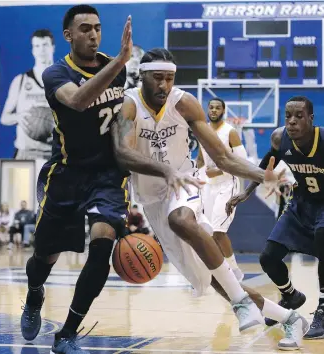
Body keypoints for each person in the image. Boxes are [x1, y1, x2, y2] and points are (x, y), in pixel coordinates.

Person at [20, 7, 200, 354]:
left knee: (102, 246)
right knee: (45, 256)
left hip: (107, 175)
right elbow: (77, 100)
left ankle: (68, 332)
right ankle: (34, 294)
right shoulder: (55, 73)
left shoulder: (116, 69)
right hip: (67, 174)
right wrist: (119, 62)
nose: (93, 35)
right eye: (84, 29)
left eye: (98, 28)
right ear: (68, 35)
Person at [113, 48, 308, 350]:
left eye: (169, 78)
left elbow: (222, 157)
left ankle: (242, 302)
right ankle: (290, 318)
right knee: (216, 281)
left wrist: (261, 175)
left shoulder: (185, 103)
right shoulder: (129, 105)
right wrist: (164, 170)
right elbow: (122, 153)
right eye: (158, 78)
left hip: (186, 182)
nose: (164, 85)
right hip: (152, 198)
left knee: (181, 220)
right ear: (143, 76)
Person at [226, 96, 324, 339]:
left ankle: (323, 305)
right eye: (288, 116)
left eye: (298, 116)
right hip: (301, 204)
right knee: (269, 256)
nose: (291, 121)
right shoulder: (280, 139)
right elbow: (266, 164)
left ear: (311, 118)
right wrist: (247, 191)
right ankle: (290, 295)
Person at [197, 97, 246, 282]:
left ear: (223, 110)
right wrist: (199, 177)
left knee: (218, 231)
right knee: (209, 233)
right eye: (211, 107)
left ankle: (235, 272)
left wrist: (218, 170)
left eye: (218, 107)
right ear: (207, 110)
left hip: (228, 185)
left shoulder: (230, 132)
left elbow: (242, 161)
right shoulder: (202, 131)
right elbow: (201, 160)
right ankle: (218, 273)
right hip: (209, 187)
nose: (214, 110)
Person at [0, 29, 55, 159]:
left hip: (55, 154)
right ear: (33, 50)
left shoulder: (65, 80)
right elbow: (4, 118)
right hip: (26, 152)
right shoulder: (21, 80)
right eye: (37, 46)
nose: (41, 50)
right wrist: (18, 117)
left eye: (45, 45)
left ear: (52, 47)